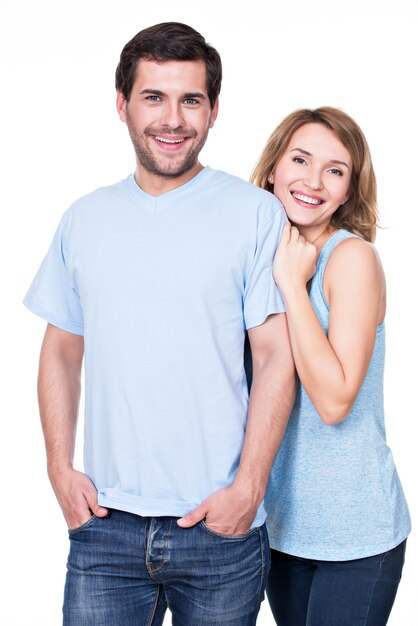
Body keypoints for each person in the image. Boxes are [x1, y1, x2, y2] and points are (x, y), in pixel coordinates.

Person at [24, 22, 295, 626]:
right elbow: (62, 350)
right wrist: (58, 469)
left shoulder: (255, 214)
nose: (172, 120)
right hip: (104, 527)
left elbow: (277, 355)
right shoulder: (84, 219)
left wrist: (249, 489)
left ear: (214, 110)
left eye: (190, 100)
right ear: (122, 104)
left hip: (220, 526)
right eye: (154, 97)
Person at [250, 106, 411, 625]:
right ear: (274, 166)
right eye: (300, 159)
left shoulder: (351, 259)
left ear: (348, 191)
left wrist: (295, 288)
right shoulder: (260, 258)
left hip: (356, 532)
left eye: (335, 170)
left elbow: (335, 400)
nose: (313, 181)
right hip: (282, 525)